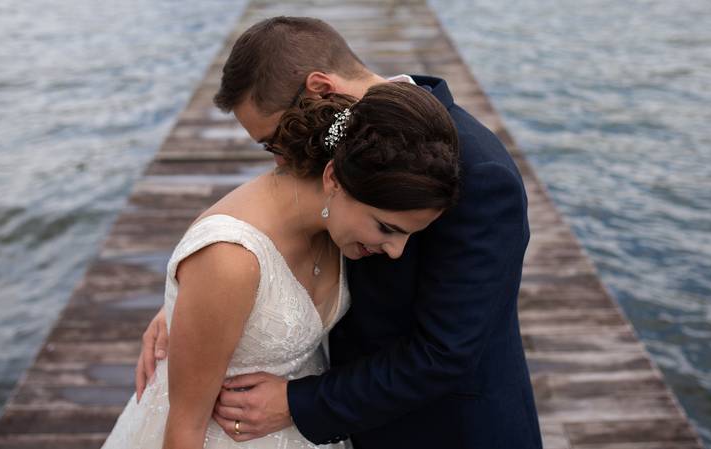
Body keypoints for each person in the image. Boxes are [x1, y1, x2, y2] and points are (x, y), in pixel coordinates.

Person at [136, 16, 542, 449]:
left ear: (321, 91)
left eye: (272, 140)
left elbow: (445, 353)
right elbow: (277, 231)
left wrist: (299, 402)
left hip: (448, 430)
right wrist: (196, 303)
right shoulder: (342, 151)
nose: (279, 160)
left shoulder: (477, 171)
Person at [101, 82, 460, 449]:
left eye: (408, 236)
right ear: (333, 178)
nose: (397, 252)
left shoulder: (339, 225)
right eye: (386, 228)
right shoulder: (230, 259)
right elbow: (184, 430)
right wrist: (189, 300)